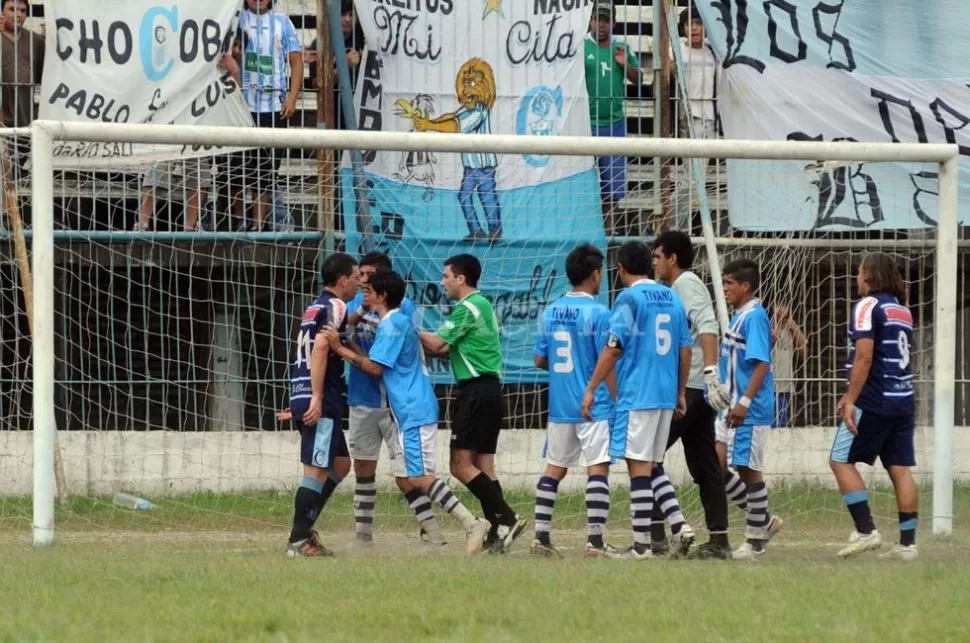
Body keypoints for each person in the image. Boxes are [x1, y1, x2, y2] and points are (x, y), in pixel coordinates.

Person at [325, 270, 490, 553]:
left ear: (382, 295)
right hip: (411, 409)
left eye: (369, 289)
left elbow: (375, 369)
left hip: (412, 409)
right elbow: (374, 359)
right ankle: (441, 536)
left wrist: (338, 348)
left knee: (417, 476)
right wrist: (346, 343)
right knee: (413, 476)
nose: (364, 293)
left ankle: (472, 523)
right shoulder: (397, 322)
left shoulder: (391, 325)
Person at [582, 241, 692, 560]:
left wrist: (591, 387)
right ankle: (680, 526)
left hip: (638, 392)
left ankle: (642, 546)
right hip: (664, 392)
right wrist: (681, 392)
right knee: (650, 464)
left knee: (638, 466)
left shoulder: (629, 298)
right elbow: (685, 349)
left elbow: (614, 348)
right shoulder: (672, 296)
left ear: (620, 269)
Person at [419, 254, 527, 553]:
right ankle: (499, 530)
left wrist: (404, 328)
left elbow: (438, 344)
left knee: (459, 465)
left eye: (445, 276)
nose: (442, 282)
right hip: (489, 390)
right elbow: (447, 351)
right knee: (484, 466)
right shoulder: (482, 305)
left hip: (476, 392)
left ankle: (507, 517)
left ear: (460, 278)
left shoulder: (467, 307)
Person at [343, 252, 445, 546]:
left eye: (368, 275)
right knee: (363, 467)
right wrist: (361, 311)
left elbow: (401, 348)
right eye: (359, 274)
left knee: (408, 475)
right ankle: (363, 536)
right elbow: (342, 331)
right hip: (362, 398)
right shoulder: (356, 303)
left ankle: (430, 531)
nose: (362, 280)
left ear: (382, 281)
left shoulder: (403, 309)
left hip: (395, 403)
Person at [830, 253, 918, 560]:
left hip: (875, 399)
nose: (856, 278)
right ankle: (907, 545)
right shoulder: (901, 309)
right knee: (900, 469)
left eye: (859, 272)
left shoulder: (868, 305)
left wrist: (851, 399)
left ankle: (866, 530)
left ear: (869, 275)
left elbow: (865, 356)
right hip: (904, 399)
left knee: (839, 460)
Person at [531, 244, 617, 558]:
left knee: (554, 468)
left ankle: (540, 536)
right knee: (598, 469)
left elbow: (539, 359)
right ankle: (595, 542)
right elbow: (607, 359)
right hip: (592, 404)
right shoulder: (599, 312)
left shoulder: (551, 310)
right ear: (596, 275)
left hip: (560, 405)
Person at [651, 231, 731, 558]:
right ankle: (720, 540)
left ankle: (656, 538)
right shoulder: (676, 288)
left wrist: (711, 374)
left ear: (672, 258)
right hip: (696, 387)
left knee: (648, 457)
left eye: (658, 255)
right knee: (704, 462)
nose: (654, 261)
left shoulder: (687, 284)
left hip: (692, 388)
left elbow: (709, 325)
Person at [284, 253, 359, 557]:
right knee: (316, 470)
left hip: (305, 390)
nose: (358, 282)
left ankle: (306, 525)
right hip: (321, 398)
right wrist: (316, 398)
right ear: (342, 280)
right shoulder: (337, 305)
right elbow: (321, 348)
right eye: (356, 277)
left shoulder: (316, 306)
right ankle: (299, 539)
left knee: (340, 464)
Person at [717, 259, 783, 560]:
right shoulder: (740, 316)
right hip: (729, 407)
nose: (725, 288)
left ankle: (755, 541)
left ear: (745, 285)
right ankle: (765, 521)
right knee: (714, 465)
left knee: (748, 469)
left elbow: (762, 363)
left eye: (729, 283)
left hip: (749, 408)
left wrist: (744, 402)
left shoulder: (755, 316)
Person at [237, 0, 303, 231]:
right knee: (235, 169)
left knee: (265, 171)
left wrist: (292, 98)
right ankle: (236, 224)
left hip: (273, 107)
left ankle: (258, 225)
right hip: (240, 106)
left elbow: (296, 61)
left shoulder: (283, 23)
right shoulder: (236, 19)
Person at [585, 0, 642, 234]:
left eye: (606, 20)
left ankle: (608, 232)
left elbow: (639, 79)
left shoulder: (621, 48)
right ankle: (591, 229)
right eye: (597, 19)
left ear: (614, 23)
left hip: (614, 124)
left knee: (612, 185)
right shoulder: (580, 47)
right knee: (589, 182)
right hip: (586, 123)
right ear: (589, 21)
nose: (601, 24)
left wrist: (625, 64)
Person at [771, 303, 807, 427]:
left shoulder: (791, 329)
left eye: (784, 306)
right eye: (778, 305)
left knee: (781, 424)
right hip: (768, 385)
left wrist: (795, 329)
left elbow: (804, 352)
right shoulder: (766, 325)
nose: (780, 309)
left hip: (783, 386)